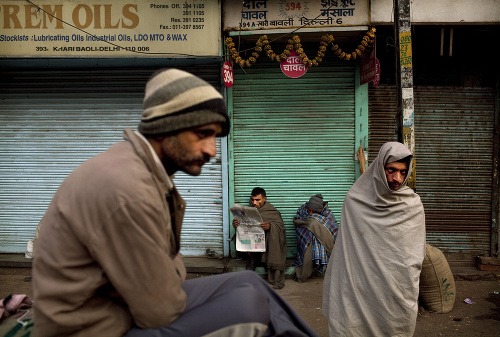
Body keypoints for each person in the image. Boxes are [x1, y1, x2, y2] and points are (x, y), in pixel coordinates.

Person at [32, 68, 319, 337]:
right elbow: (160, 310)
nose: (211, 150)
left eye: (215, 137)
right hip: (93, 326)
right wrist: (167, 275)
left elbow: (167, 276)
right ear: (167, 126)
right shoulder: (128, 189)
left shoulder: (143, 171)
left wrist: (166, 274)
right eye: (202, 134)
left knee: (250, 283)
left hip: (125, 306)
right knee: (249, 308)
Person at [322, 141, 426, 337]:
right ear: (379, 168)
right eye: (391, 170)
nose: (397, 178)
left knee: (395, 325)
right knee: (353, 325)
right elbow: (348, 248)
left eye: (403, 172)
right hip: (359, 282)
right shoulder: (355, 200)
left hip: (397, 284)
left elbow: (414, 252)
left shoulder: (412, 205)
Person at [233, 187, 287, 289]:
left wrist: (270, 227)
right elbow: (242, 227)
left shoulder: (272, 211)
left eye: (258, 200)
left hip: (267, 242)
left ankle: (274, 274)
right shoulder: (247, 211)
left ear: (265, 199)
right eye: (252, 200)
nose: (254, 203)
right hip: (253, 244)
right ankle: (252, 261)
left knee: (273, 236)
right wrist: (236, 224)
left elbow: (281, 228)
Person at [293, 194, 338, 282]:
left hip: (323, 244)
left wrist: (315, 225)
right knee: (312, 227)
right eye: (309, 209)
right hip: (308, 240)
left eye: (312, 210)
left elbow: (334, 230)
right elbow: (298, 223)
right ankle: (306, 271)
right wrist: (311, 226)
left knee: (315, 226)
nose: (309, 211)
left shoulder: (327, 214)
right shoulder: (302, 211)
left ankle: (322, 266)